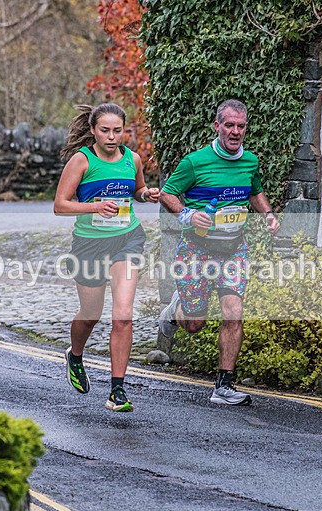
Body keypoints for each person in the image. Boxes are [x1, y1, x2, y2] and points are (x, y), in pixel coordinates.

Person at [158, 99, 280, 406]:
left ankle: (223, 386)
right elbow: (167, 193)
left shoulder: (250, 161)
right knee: (194, 325)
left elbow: (254, 191)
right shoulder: (195, 162)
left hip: (233, 250)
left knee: (233, 312)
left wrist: (267, 214)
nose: (235, 131)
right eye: (229, 125)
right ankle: (175, 311)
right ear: (217, 126)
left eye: (241, 126)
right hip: (196, 251)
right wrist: (187, 214)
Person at [54, 103, 160, 412]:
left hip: (127, 239)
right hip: (89, 244)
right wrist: (95, 207)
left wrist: (145, 195)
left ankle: (117, 390)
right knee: (91, 313)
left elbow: (137, 190)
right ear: (93, 131)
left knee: (123, 313)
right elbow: (60, 205)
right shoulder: (81, 160)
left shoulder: (133, 159)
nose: (112, 137)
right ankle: (75, 354)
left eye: (117, 130)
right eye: (105, 130)